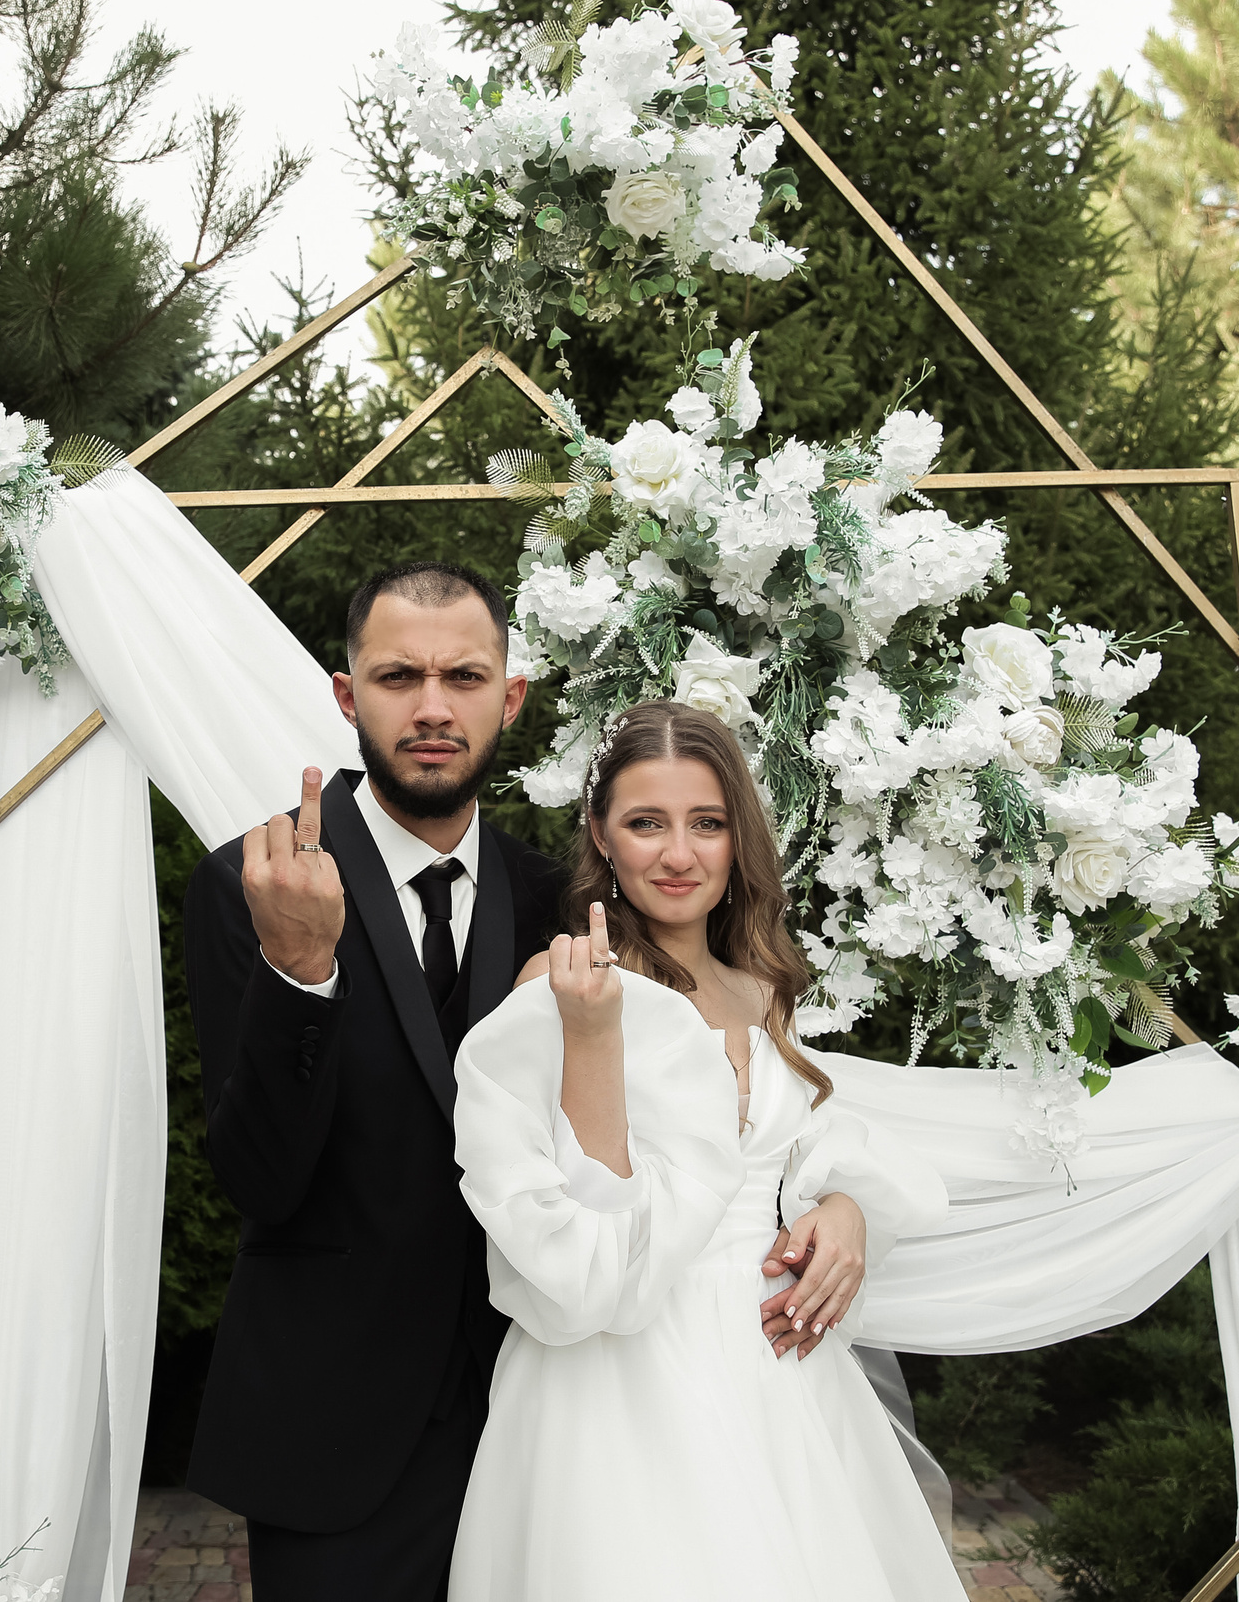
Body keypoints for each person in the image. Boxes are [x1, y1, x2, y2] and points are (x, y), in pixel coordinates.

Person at [446, 699, 967, 1601]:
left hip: (774, 1365)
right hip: (618, 1375)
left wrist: (843, 1208)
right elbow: (581, 1251)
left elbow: (795, 1152)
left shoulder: (761, 987)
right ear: (601, 838)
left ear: (738, 841)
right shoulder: (560, 983)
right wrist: (596, 1033)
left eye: (708, 824)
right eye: (646, 823)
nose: (678, 854)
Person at [180, 562, 563, 1602]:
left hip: (541, 1418)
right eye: (398, 677)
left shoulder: (558, 893)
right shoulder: (245, 882)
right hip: (329, 1424)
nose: (433, 707)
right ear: (346, 697)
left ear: (509, 698)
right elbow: (257, 1180)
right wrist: (301, 974)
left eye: (464, 677)